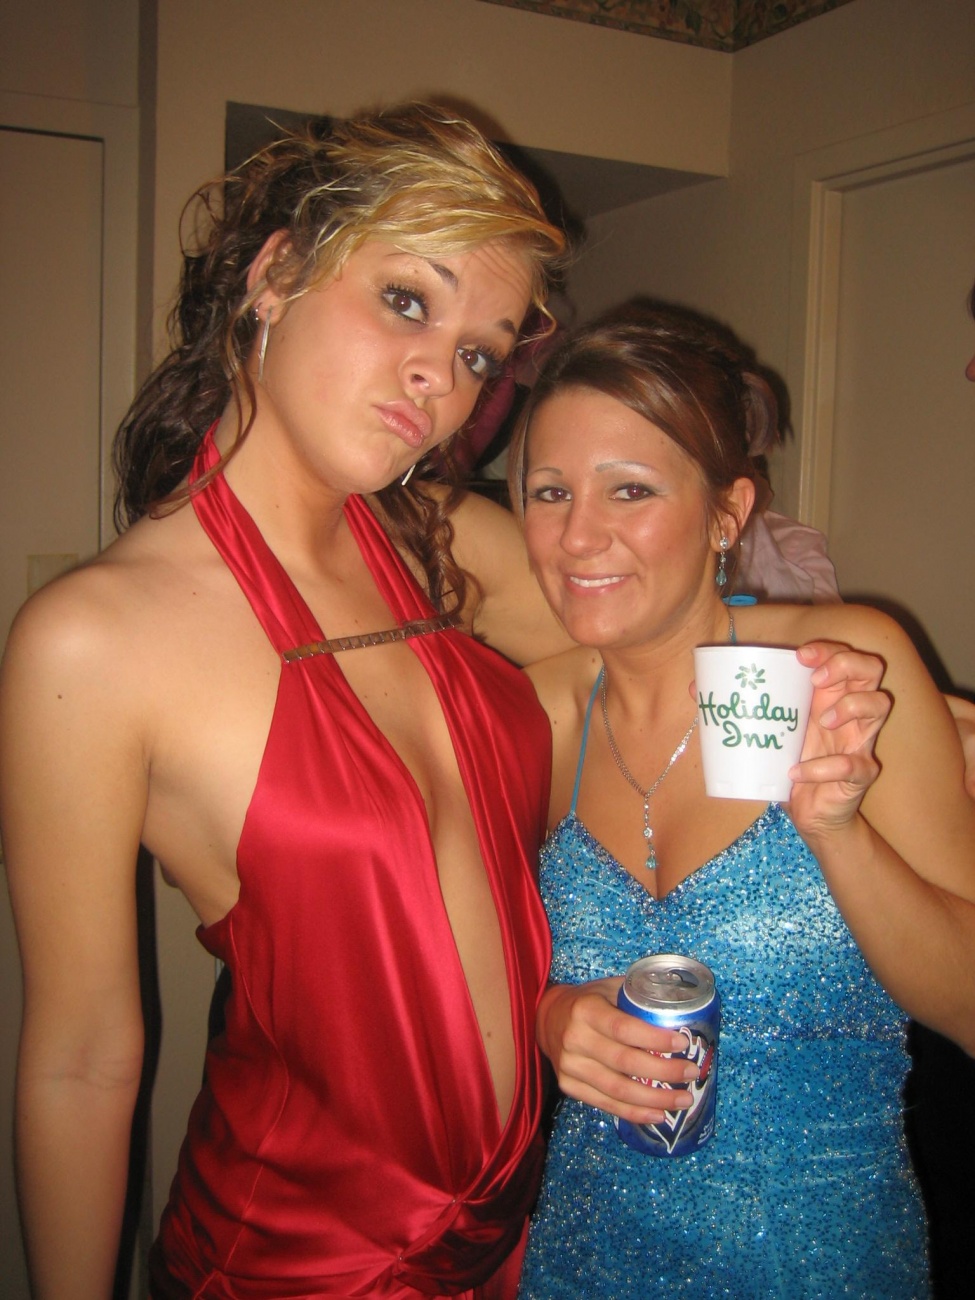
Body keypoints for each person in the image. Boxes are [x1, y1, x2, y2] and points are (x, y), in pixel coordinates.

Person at [0, 102, 575, 1300]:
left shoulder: (445, 545)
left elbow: (662, 648)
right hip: (292, 1270)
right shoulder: (95, 642)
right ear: (274, 275)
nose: (440, 378)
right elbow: (84, 1058)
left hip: (512, 1244)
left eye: (480, 353)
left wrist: (875, 684)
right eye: (408, 300)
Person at [502, 309, 975, 1298]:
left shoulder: (846, 667)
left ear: (727, 512)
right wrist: (549, 1016)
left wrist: (836, 831)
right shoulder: (534, 715)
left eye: (630, 488)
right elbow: (463, 975)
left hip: (824, 1267)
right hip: (586, 1262)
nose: (578, 534)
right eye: (549, 492)